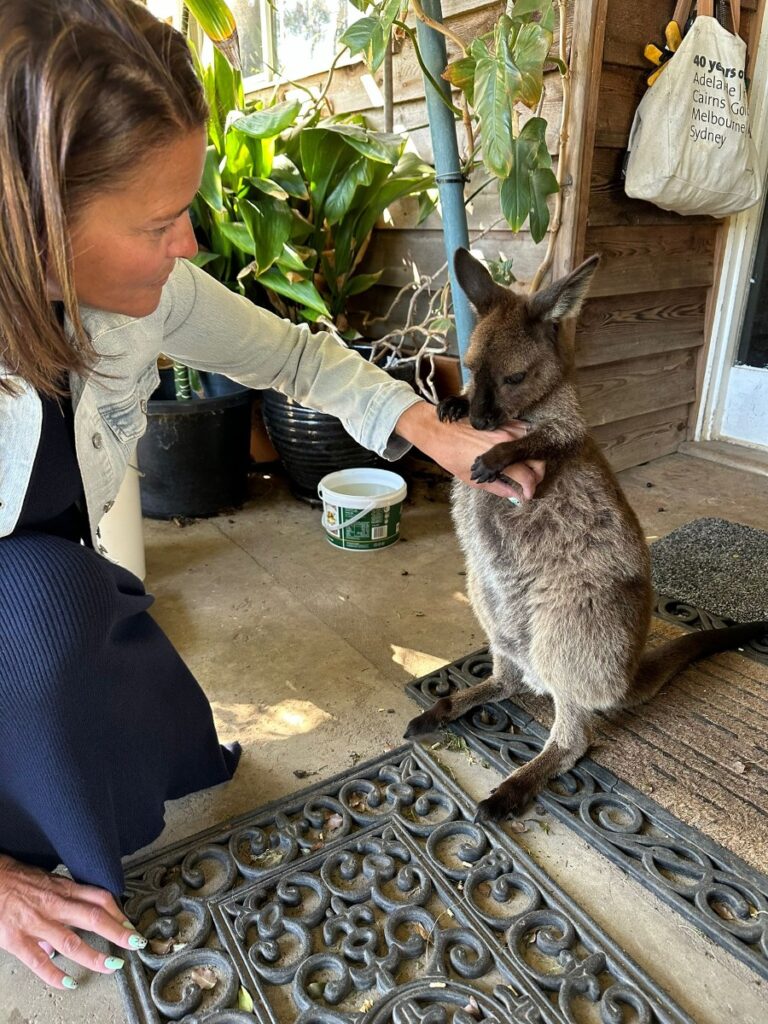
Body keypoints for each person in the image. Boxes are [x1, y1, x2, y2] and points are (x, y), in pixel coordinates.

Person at [0, 0, 544, 992]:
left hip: (58, 576)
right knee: (46, 616)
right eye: (160, 223)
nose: (190, 248)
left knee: (87, 641)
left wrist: (437, 432)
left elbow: (292, 352)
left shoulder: (148, 292)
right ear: (27, 219)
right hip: (32, 601)